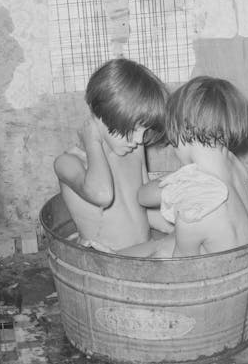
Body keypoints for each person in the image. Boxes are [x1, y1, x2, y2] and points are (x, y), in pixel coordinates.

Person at [119, 76, 248, 258]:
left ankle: (108, 262)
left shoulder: (196, 202)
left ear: (181, 130)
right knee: (168, 242)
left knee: (162, 250)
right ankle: (115, 255)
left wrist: (174, 181)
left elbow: (143, 197)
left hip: (216, 278)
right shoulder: (234, 164)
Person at [54, 58, 171, 252]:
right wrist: (92, 141)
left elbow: (143, 209)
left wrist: (176, 227)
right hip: (105, 261)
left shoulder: (133, 151)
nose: (140, 140)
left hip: (143, 251)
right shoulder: (67, 163)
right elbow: (102, 195)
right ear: (102, 117)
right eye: (134, 129)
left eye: (144, 131)